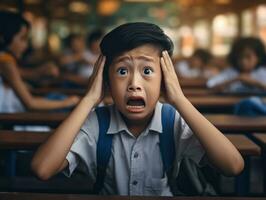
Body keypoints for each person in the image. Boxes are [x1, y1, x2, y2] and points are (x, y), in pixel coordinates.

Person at [31, 22, 244, 196]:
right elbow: (42, 169)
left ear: (164, 78)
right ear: (106, 79)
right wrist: (89, 99)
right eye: (122, 71)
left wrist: (179, 99)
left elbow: (233, 166)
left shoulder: (172, 121)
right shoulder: (97, 122)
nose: (134, 82)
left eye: (148, 70)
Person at [0, 10, 80, 113]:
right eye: (22, 39)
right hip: (14, 119)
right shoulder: (5, 60)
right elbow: (31, 104)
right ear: (3, 38)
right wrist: (68, 102)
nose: (26, 45)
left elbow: (25, 74)